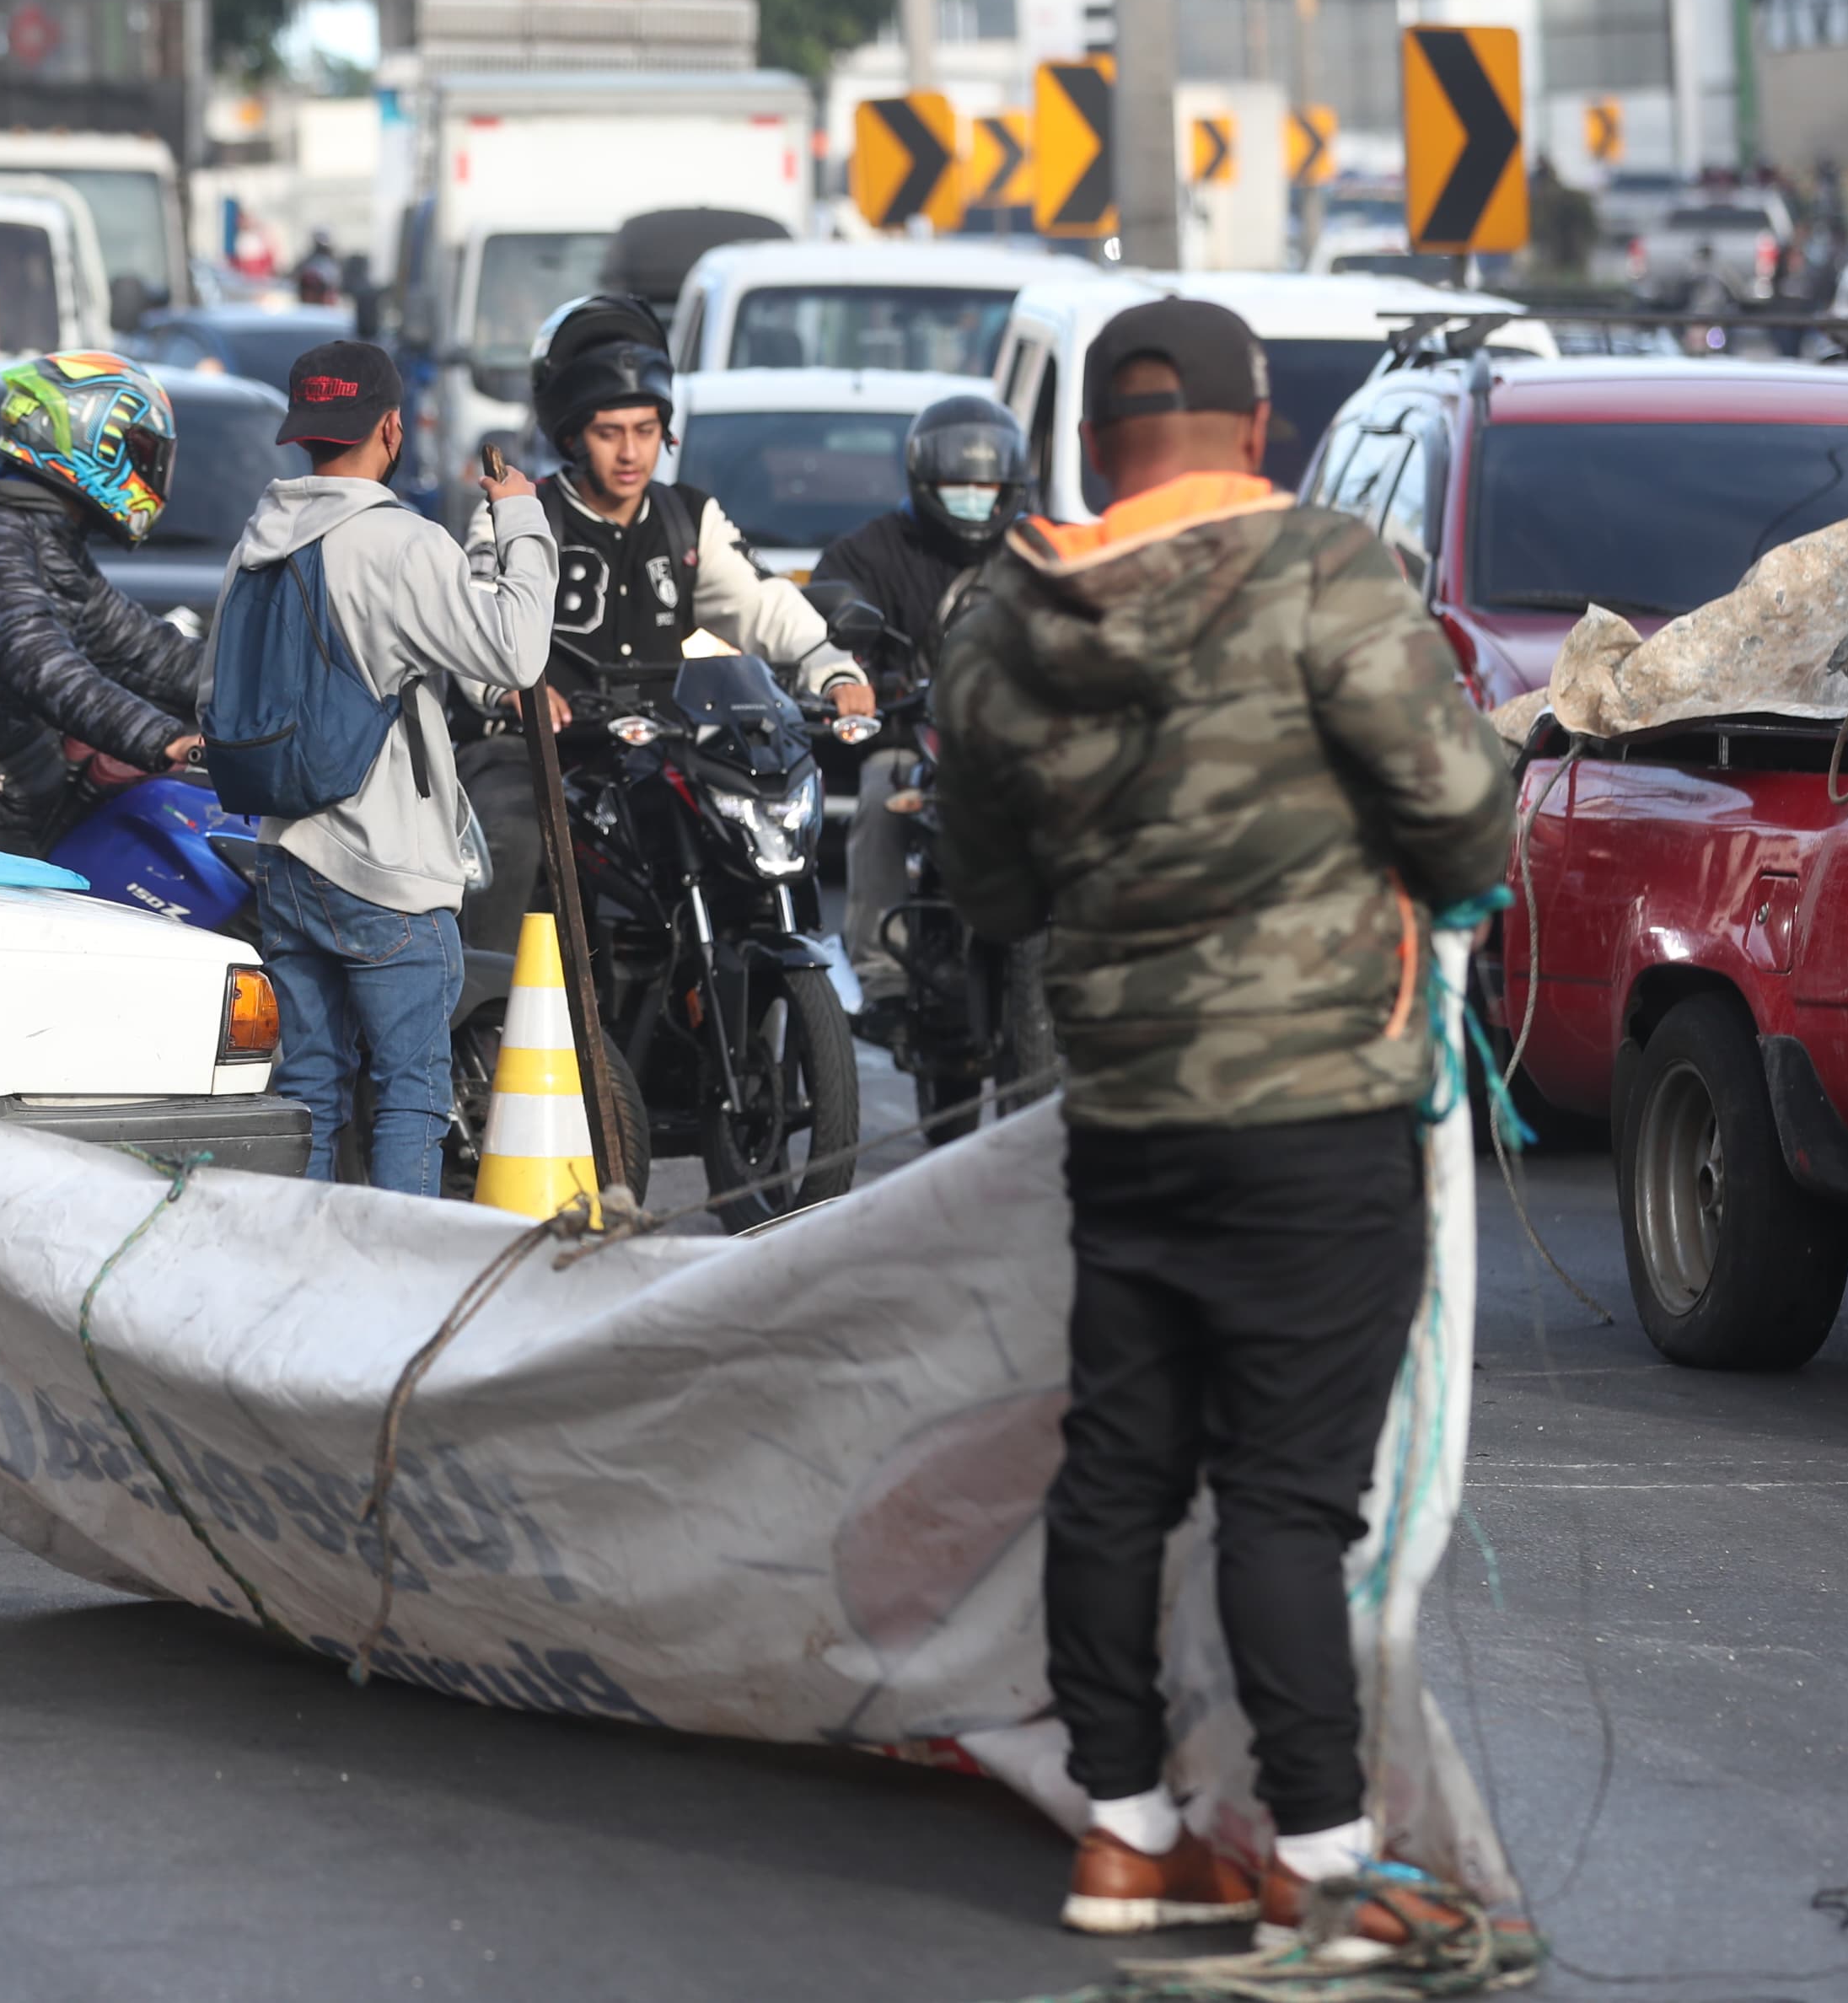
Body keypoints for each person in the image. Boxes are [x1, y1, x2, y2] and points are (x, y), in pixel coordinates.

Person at [934, 298, 1515, 1951]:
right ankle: (1319, 1859)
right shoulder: (1328, 573)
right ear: (1258, 427)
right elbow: (1462, 816)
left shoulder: (1000, 622)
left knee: (1117, 1465)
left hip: (1125, 1110)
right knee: (1283, 1494)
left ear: (1096, 448)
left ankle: (1124, 1833)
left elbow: (989, 891)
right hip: (1317, 1111)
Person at [207, 341, 553, 1194]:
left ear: (305, 433)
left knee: (310, 1094)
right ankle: (397, 1290)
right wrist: (521, 521)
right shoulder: (400, 543)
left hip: (286, 855)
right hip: (388, 868)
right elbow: (515, 650)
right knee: (408, 1096)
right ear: (391, 428)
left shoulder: (257, 541)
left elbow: (215, 687)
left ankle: (304, 1285)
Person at [458, 293, 875, 960]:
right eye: (609, 432)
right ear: (571, 436)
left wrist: (833, 668)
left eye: (646, 430)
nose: (631, 453)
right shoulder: (517, 511)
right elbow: (473, 617)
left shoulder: (689, 518)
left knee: (741, 827)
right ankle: (479, 1030)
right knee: (513, 840)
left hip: (660, 753)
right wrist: (510, 687)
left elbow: (762, 602)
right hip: (533, 753)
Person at [0, 351, 206, 855]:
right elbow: (42, 663)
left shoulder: (46, 537)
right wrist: (163, 739)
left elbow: (143, 647)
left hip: (20, 803)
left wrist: (260, 691)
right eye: (140, 450)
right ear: (88, 439)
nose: (150, 469)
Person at [814, 392, 1032, 1034]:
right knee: (882, 799)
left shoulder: (1039, 552)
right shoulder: (870, 553)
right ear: (924, 480)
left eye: (986, 483)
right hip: (917, 739)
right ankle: (880, 974)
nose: (974, 495)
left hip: (1018, 747)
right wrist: (867, 681)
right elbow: (827, 628)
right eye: (958, 483)